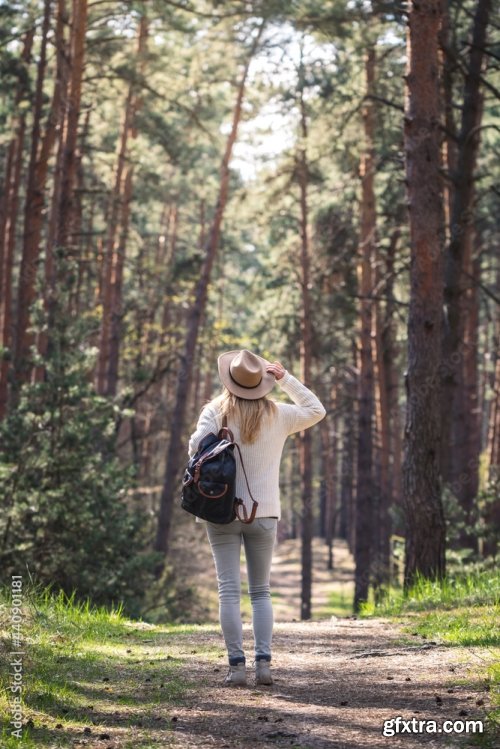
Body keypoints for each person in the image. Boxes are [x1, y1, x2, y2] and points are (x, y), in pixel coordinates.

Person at [188, 349, 326, 687]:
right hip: (264, 513)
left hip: (219, 510)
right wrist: (287, 379)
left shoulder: (214, 411)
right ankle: (263, 666)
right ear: (260, 383)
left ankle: (237, 669)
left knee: (228, 591)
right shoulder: (279, 414)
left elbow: (194, 448)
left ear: (229, 380)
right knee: (261, 591)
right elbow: (316, 410)